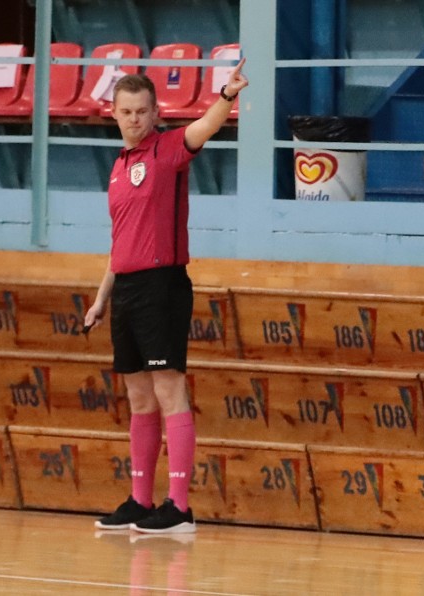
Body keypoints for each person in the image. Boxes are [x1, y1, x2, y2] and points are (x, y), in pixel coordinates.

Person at [85, 58, 249, 534]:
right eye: (126, 111)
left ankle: (179, 507)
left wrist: (226, 96)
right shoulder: (118, 168)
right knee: (138, 396)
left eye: (142, 111)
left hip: (163, 286)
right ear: (113, 114)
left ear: (156, 113)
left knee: (168, 389)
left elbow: (203, 128)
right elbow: (119, 245)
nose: (135, 119)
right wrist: (101, 299)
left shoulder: (167, 150)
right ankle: (141, 499)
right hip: (127, 290)